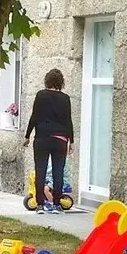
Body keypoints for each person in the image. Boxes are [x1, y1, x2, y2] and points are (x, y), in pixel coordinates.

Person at [24, 69, 74, 215]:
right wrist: (71, 141)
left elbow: (34, 116)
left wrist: (27, 136)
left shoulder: (41, 95)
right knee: (58, 172)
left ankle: (40, 205)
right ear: (61, 82)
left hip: (42, 138)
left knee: (41, 171)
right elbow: (68, 121)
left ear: (46, 80)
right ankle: (57, 204)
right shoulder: (65, 98)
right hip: (60, 139)